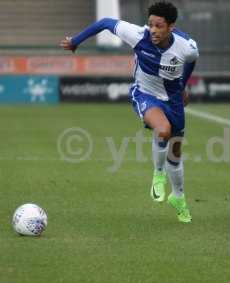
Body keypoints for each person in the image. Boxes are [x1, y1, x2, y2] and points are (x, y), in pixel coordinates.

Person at [60, 1, 199, 223]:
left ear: (171, 27)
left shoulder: (187, 47)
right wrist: (76, 41)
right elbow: (105, 22)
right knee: (163, 130)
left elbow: (191, 61)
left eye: (159, 26)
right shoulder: (138, 35)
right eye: (151, 24)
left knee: (176, 150)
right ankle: (158, 174)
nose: (153, 30)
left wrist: (182, 87)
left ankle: (179, 198)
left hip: (172, 99)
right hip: (145, 94)